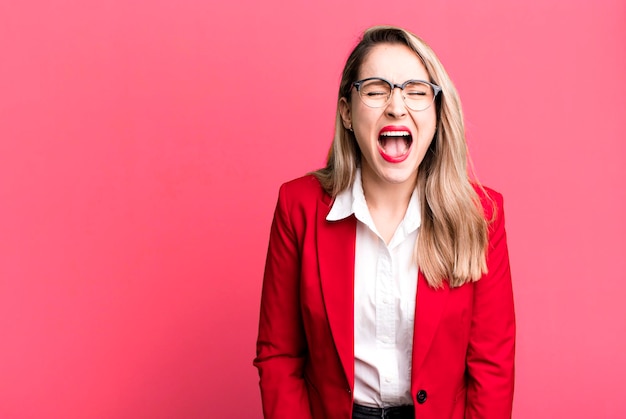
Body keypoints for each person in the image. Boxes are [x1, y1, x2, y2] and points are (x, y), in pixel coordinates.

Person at [254, 25, 515, 419]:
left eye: (416, 91)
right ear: (346, 112)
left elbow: (493, 369)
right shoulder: (298, 207)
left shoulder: (481, 215)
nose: (397, 105)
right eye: (376, 90)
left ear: (437, 112)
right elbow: (279, 355)